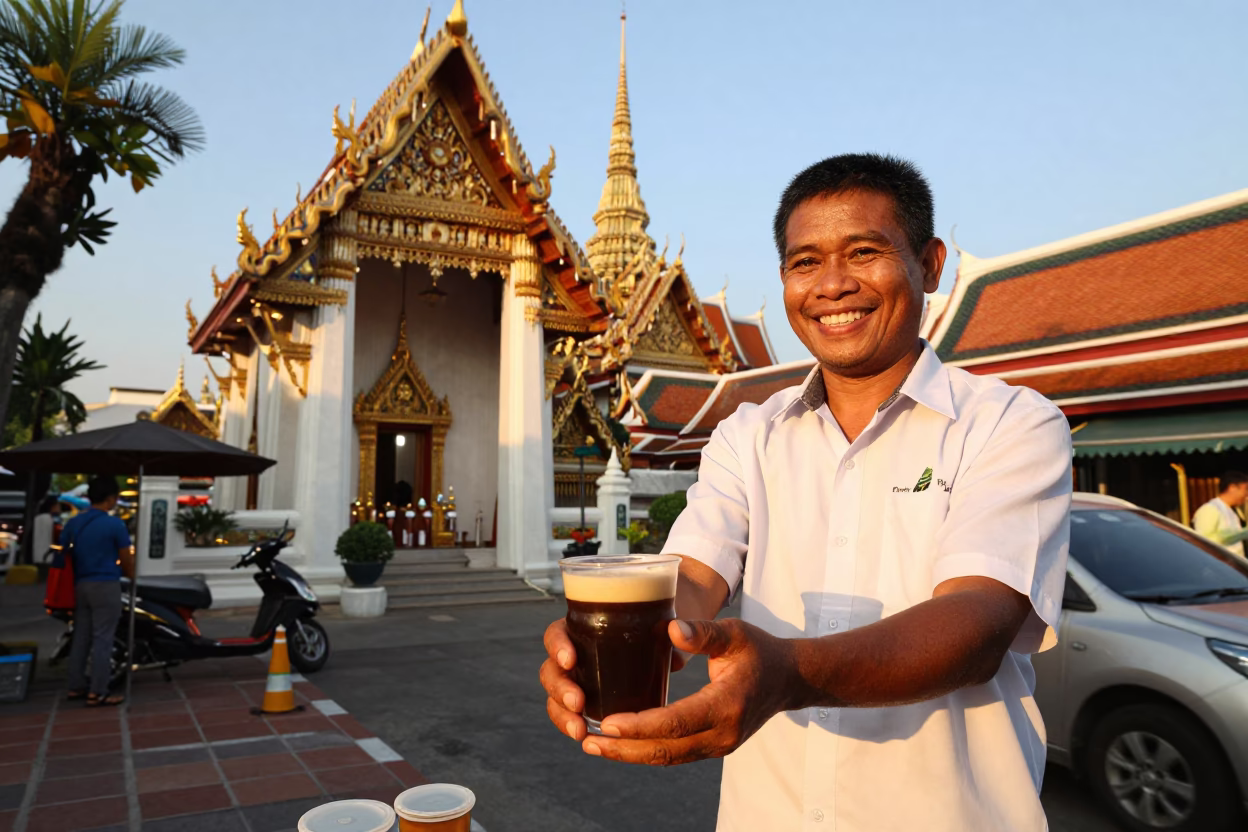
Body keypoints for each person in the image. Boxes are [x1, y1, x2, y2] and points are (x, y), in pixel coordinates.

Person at [541, 154, 1072, 831]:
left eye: (864, 252)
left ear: (931, 264)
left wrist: (790, 673)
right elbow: (692, 579)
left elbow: (977, 623)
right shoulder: (747, 437)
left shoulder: (1008, 425)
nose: (832, 286)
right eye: (804, 263)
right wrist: (621, 634)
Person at [64, 475, 134, 707]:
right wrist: (133, 577)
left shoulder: (74, 523)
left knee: (81, 637)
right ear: (111, 498)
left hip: (80, 584)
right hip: (105, 584)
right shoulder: (114, 524)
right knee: (103, 639)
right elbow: (125, 558)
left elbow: (64, 552)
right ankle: (99, 691)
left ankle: (75, 686)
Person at [1192, 471, 1248, 557]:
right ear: (1232, 487)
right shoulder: (1210, 509)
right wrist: (1242, 533)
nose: (1246, 494)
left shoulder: (1234, 511)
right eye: (1246, 489)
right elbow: (1204, 541)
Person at [31, 494, 62, 563]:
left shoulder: (36, 518)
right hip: (48, 557)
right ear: (53, 506)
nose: (60, 508)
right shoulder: (53, 520)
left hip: (35, 557)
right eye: (58, 505)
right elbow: (58, 538)